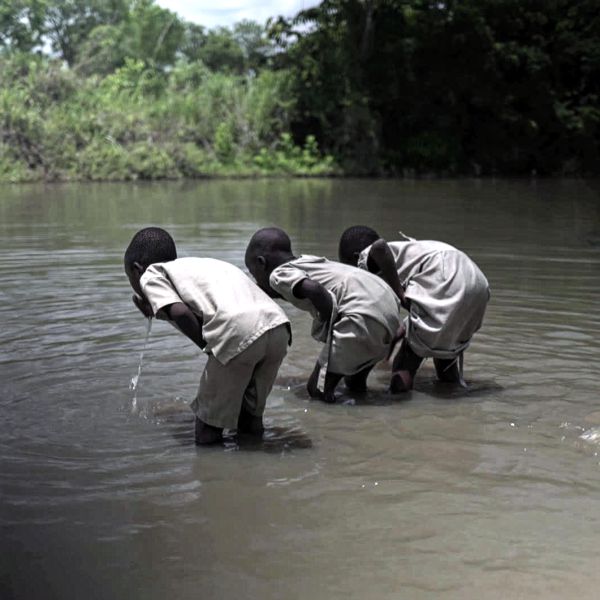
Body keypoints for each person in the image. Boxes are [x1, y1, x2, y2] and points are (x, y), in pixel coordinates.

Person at [124, 227, 290, 445]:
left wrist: (210, 349)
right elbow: (201, 313)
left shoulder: (151, 274)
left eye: (130, 279)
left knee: (207, 428)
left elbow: (182, 313)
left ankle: (215, 476)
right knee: (250, 417)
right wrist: (160, 311)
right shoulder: (202, 267)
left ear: (137, 270)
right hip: (278, 327)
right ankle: (255, 469)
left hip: (240, 332)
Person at [245, 227, 402, 403]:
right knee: (354, 382)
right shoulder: (307, 261)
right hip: (388, 306)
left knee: (316, 389)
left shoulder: (277, 275)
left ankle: (337, 426)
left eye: (253, 273)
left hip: (361, 315)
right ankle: (363, 412)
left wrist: (331, 329)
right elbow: (310, 287)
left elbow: (316, 290)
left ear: (261, 263)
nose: (256, 280)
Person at [338, 226, 490, 392]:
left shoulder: (367, 256)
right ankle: (452, 402)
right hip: (476, 281)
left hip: (444, 276)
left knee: (404, 362)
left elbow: (379, 247)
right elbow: (407, 323)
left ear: (356, 257)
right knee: (445, 353)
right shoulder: (408, 254)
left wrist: (400, 295)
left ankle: (399, 407)